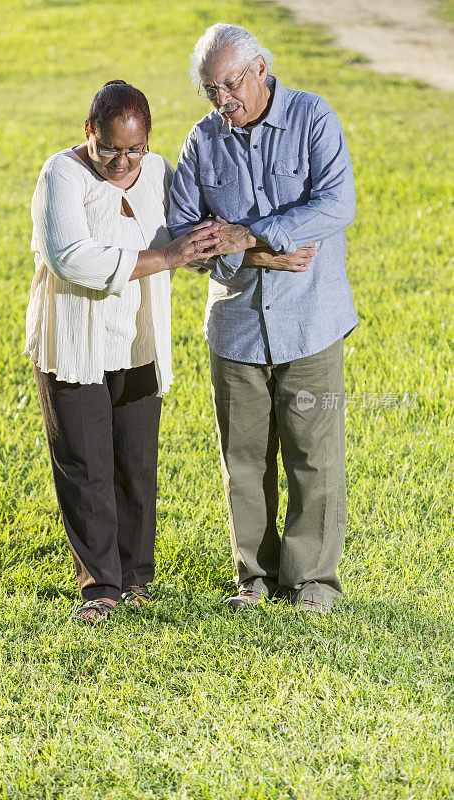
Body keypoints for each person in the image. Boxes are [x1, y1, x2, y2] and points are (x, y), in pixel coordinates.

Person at [167, 24, 359, 614]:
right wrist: (253, 253)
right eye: (210, 89)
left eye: (230, 83)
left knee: (313, 456)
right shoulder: (202, 143)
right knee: (244, 461)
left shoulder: (313, 117)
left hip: (311, 322)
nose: (223, 99)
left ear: (262, 69)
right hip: (237, 327)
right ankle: (254, 576)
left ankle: (312, 584)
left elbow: (336, 203)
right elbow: (182, 231)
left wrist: (248, 231)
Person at [24, 80, 219, 623]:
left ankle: (134, 578)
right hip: (74, 342)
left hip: (138, 338)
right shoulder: (60, 174)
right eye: (109, 147)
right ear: (89, 131)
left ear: (148, 143)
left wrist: (248, 253)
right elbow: (74, 259)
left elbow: (190, 238)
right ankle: (100, 587)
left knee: (136, 464)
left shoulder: (158, 172)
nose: (121, 161)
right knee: (86, 466)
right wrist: (165, 257)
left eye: (134, 149)